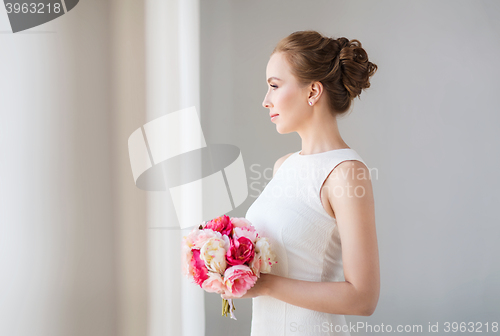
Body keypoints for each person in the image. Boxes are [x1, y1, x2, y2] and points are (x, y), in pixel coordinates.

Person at [221, 30, 380, 335]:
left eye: (274, 86)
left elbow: (364, 298)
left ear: (313, 92)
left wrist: (264, 285)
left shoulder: (346, 172)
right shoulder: (284, 166)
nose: (265, 101)